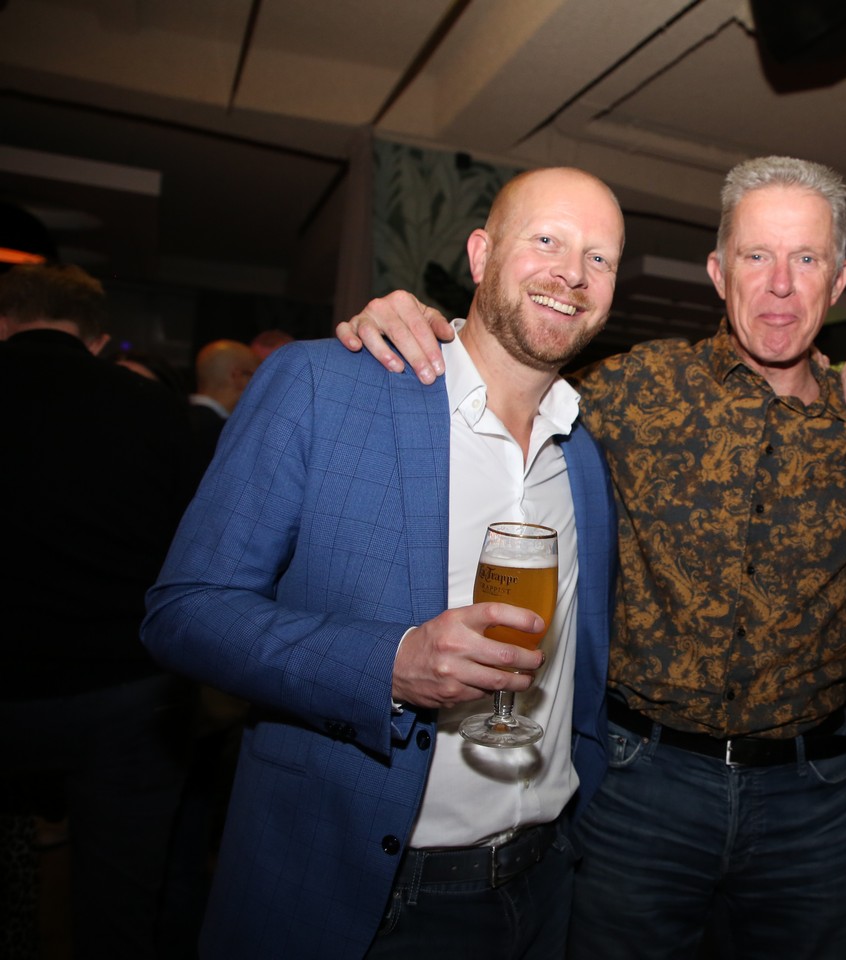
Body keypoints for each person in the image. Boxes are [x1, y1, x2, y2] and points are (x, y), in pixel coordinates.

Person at [339, 156, 846, 959]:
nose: (780, 284)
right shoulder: (630, 389)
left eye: (806, 259)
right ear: (718, 272)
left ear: (838, 281)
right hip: (643, 787)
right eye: (756, 256)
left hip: (811, 796)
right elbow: (505, 368)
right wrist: (418, 322)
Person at [141, 167, 620, 959]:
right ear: (481, 254)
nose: (572, 272)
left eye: (599, 258)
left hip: (544, 885)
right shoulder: (324, 384)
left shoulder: (584, 456)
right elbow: (185, 610)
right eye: (547, 240)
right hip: (367, 892)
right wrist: (389, 665)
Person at [0, 262, 197, 959]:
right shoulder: (156, 410)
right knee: (121, 898)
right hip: (127, 687)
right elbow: (197, 552)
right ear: (97, 337)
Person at [186, 338, 258, 465]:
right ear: (238, 377)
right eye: (256, 375)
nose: (260, 384)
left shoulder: (169, 417)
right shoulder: (227, 435)